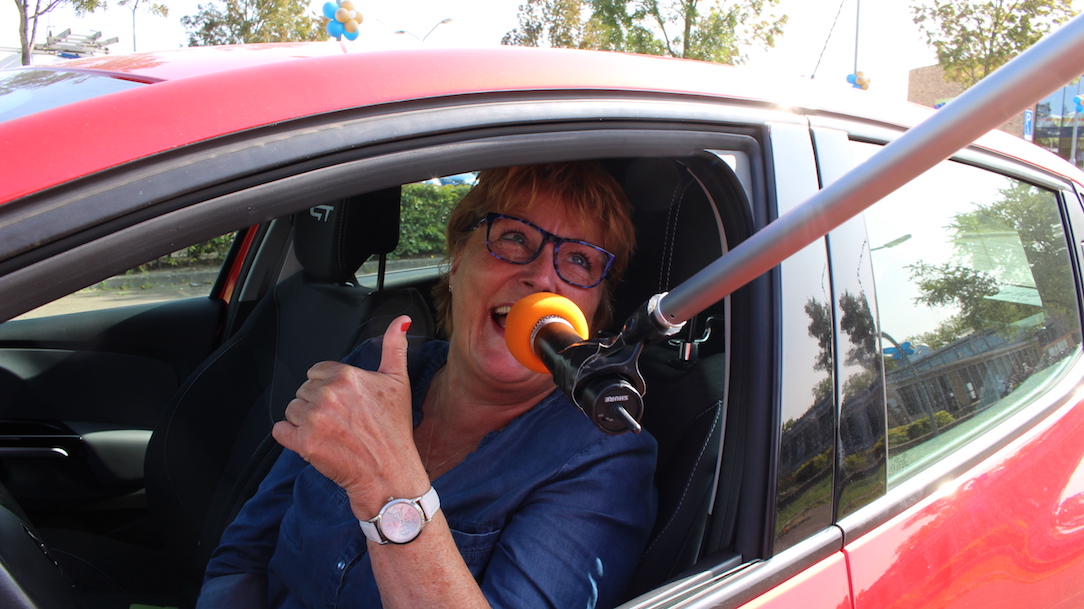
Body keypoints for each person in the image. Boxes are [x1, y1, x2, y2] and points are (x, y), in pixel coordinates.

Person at [197, 162, 658, 609]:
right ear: (456, 263)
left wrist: (386, 481)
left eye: (579, 259)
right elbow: (245, 549)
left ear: (593, 313)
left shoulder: (603, 458)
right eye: (515, 237)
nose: (541, 276)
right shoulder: (373, 367)